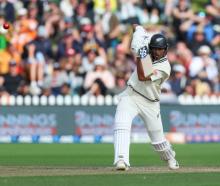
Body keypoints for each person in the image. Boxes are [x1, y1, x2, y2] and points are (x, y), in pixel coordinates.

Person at [113, 25, 179, 171]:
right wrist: (137, 30)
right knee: (121, 123)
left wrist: (140, 55)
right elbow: (136, 27)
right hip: (131, 95)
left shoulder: (165, 67)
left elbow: (143, 76)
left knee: (158, 141)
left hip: (150, 103)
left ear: (165, 49)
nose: (157, 51)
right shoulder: (146, 45)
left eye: (160, 49)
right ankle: (121, 160)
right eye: (154, 48)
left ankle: (170, 157)